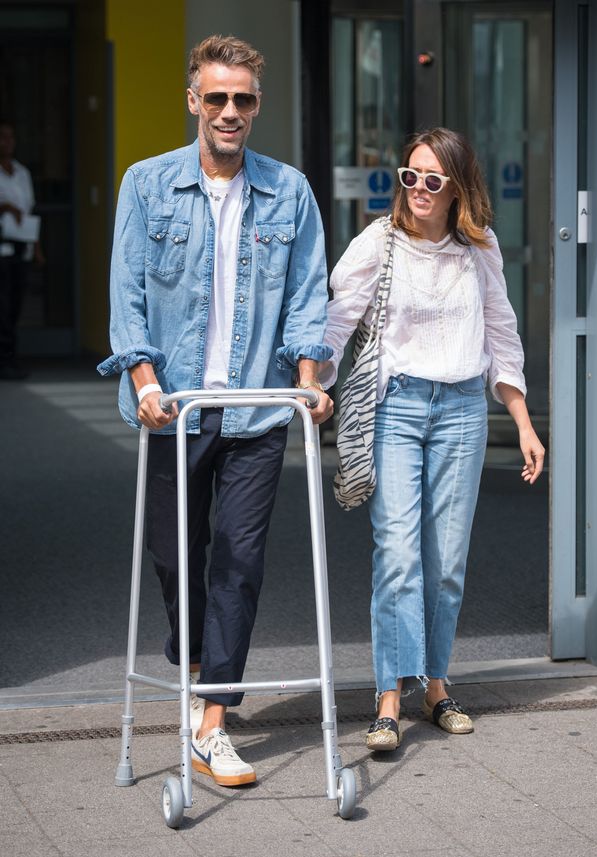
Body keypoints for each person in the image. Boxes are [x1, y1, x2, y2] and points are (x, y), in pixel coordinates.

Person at [98, 35, 333, 785]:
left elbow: (307, 297)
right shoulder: (146, 183)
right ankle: (199, 665)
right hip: (173, 408)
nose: (232, 111)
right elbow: (127, 294)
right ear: (194, 100)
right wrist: (142, 383)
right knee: (174, 556)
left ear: (256, 106)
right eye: (219, 97)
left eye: (245, 99)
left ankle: (212, 720)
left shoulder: (288, 190)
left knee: (238, 561)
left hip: (256, 413)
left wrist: (305, 381)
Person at [322, 128, 545, 751]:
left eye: (433, 180)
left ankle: (437, 684)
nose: (418, 189)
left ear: (457, 189)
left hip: (463, 410)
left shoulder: (480, 249)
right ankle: (389, 694)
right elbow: (338, 320)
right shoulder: (379, 243)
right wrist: (314, 384)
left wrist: (523, 422)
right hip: (397, 407)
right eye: (409, 176)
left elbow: (502, 333)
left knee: (446, 561)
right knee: (397, 552)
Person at [0, 121, 43, 380]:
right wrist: (5, 206)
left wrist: (37, 249)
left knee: (14, 306)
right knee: (2, 308)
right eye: (2, 137)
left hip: (20, 247)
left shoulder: (21, 173)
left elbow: (29, 211)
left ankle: (10, 359)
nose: (6, 142)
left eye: (10, 137)